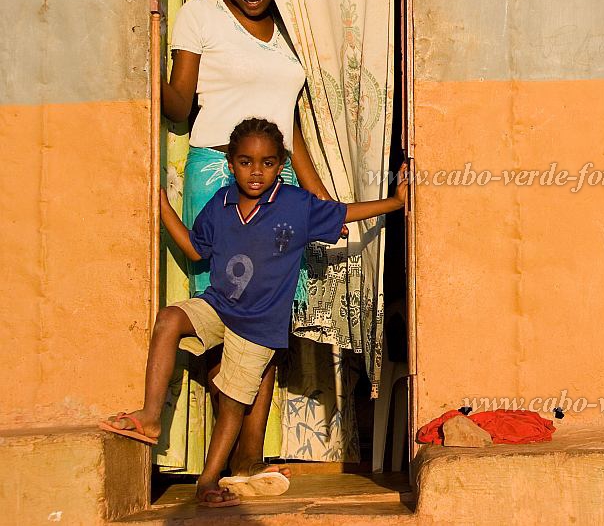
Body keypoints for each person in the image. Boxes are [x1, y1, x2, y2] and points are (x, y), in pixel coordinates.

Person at [100, 118, 408, 507]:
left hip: (259, 325)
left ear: (281, 166)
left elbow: (343, 212)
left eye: (266, 163)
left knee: (232, 400)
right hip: (218, 305)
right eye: (246, 162)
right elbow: (197, 250)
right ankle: (149, 416)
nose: (256, 171)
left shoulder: (296, 204)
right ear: (230, 163)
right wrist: (162, 209)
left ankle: (209, 480)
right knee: (169, 319)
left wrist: (395, 203)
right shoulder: (220, 204)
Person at [163, 0, 335, 486]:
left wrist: (313, 190)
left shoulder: (293, 25)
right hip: (220, 170)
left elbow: (291, 122)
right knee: (227, 315)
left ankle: (247, 459)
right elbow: (177, 103)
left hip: (278, 174)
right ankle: (234, 460)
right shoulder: (201, 15)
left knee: (267, 320)